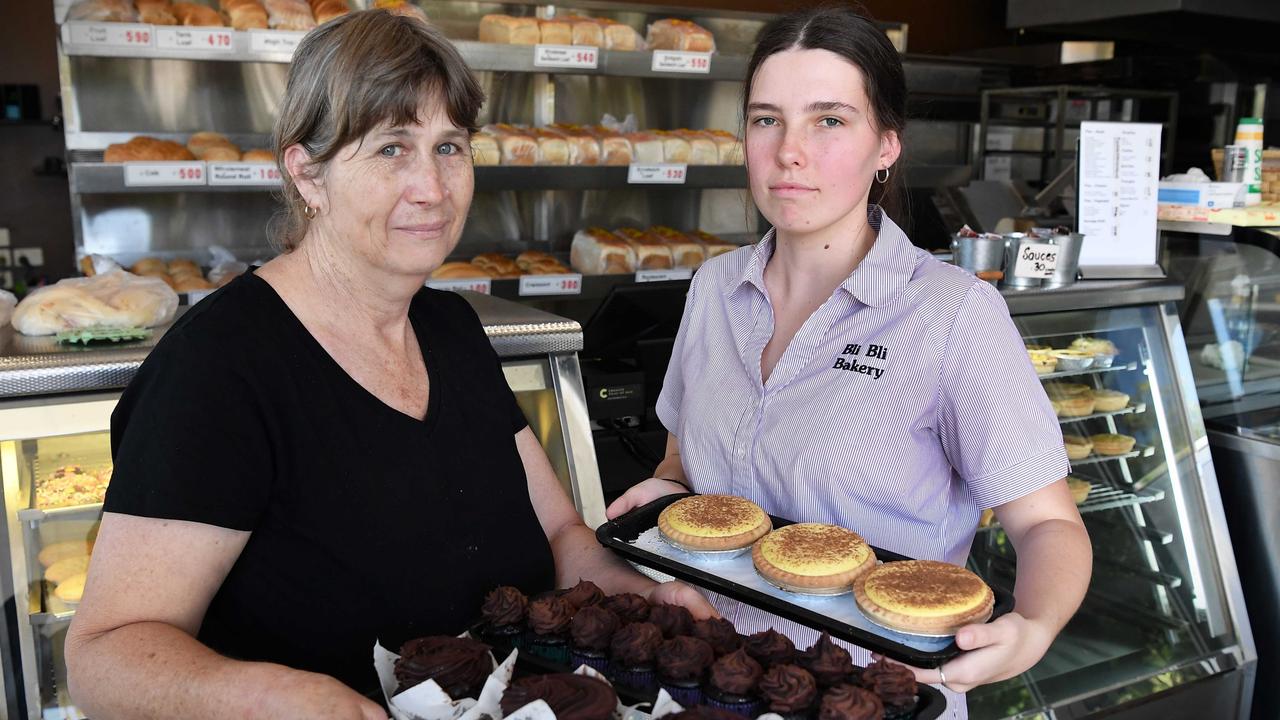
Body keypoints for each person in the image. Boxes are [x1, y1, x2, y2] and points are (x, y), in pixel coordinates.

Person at [65, 11, 712, 719]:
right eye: (391, 150)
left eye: (449, 147)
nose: (432, 188)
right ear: (307, 173)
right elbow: (105, 658)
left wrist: (644, 600)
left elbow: (562, 537)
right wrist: (285, 697)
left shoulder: (452, 328)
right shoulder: (221, 369)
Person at [607, 6, 1092, 716]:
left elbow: (1049, 523)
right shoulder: (715, 287)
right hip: (707, 680)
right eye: (766, 119)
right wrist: (662, 501)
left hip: (873, 695)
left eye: (828, 120)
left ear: (886, 146)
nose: (788, 152)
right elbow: (683, 470)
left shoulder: (953, 313)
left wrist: (1036, 626)